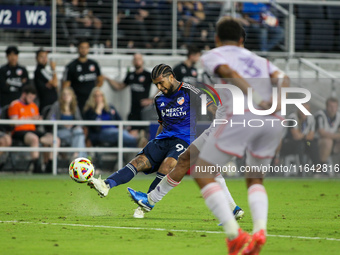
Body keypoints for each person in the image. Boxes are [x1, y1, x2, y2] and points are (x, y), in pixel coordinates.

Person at [129, 18, 288, 254]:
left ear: (216, 38)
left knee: (201, 171)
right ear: (242, 40)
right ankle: (259, 231)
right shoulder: (260, 61)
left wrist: (255, 98)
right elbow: (283, 80)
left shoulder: (214, 55)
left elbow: (229, 71)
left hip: (234, 119)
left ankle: (233, 233)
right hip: (269, 121)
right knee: (250, 178)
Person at [87, 64, 217, 218]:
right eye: (156, 84)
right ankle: (106, 184)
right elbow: (162, 124)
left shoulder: (190, 91)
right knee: (139, 161)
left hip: (184, 139)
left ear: (171, 77)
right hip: (163, 138)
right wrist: (154, 143)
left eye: (161, 83)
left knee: (167, 164)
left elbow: (212, 108)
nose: (159, 87)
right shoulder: (159, 99)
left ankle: (147, 202)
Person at [8, 85, 56, 173]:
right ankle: (36, 166)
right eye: (30, 97)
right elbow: (13, 122)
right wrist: (30, 119)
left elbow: (36, 123)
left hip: (33, 131)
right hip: (20, 131)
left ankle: (50, 165)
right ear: (24, 94)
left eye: (33, 98)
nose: (31, 100)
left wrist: (39, 120)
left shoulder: (33, 106)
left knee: (54, 139)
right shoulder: (15, 104)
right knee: (34, 138)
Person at [104, 53, 153, 121]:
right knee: (131, 129)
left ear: (142, 61)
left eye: (139, 59)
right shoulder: (130, 75)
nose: (137, 61)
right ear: (133, 61)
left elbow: (161, 87)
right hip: (133, 109)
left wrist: (152, 100)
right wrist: (108, 78)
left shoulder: (148, 75)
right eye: (135, 59)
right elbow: (119, 86)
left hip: (145, 109)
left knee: (145, 130)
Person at [62, 40, 103, 115]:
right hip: (77, 100)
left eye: (86, 48)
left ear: (88, 49)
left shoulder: (94, 64)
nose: (84, 50)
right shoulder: (71, 66)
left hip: (91, 100)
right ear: (78, 49)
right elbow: (65, 85)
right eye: (82, 48)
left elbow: (100, 80)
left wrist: (95, 92)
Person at [46, 87, 87, 159]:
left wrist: (74, 125)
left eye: (68, 94)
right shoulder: (57, 106)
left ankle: (76, 155)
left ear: (72, 96)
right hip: (59, 131)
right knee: (79, 136)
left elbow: (80, 121)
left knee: (79, 132)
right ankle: (81, 158)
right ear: (61, 96)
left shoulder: (74, 106)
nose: (66, 96)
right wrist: (62, 124)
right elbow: (50, 119)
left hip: (72, 131)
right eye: (64, 94)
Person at [314, 97, 340, 165]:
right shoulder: (320, 115)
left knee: (330, 141)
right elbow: (322, 133)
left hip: (331, 141)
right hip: (313, 142)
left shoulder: (338, 116)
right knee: (328, 141)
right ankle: (321, 166)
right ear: (326, 107)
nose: (333, 109)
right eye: (331, 106)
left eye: (335, 107)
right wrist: (336, 136)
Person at [34, 49, 58, 113]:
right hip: (46, 105)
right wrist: (54, 69)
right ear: (36, 58)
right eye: (41, 57)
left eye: (45, 57)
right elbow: (55, 83)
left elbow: (55, 86)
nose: (44, 59)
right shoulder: (40, 70)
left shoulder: (45, 70)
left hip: (50, 104)